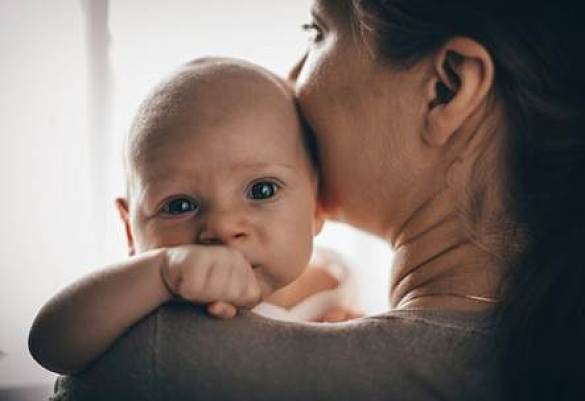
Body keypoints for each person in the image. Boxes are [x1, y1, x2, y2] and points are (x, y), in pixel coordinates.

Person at [49, 0, 585, 400]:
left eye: (318, 31)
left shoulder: (157, 365)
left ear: (445, 87)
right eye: (180, 203)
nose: (291, 77)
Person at [28, 57, 360, 375]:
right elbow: (49, 345)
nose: (222, 226)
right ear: (130, 230)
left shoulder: (338, 290)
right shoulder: (141, 296)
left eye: (261, 190)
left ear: (316, 205)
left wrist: (342, 342)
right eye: (179, 206)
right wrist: (162, 275)